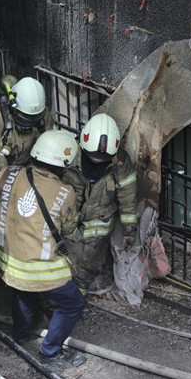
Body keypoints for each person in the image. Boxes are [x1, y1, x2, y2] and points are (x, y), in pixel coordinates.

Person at [0, 129, 86, 369]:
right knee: (73, 303)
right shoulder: (66, 193)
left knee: (21, 290)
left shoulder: (7, 174)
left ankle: (23, 332)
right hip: (40, 271)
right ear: (64, 165)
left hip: (6, 263)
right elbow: (69, 232)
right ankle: (50, 351)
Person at [62, 113, 138, 293]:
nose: (96, 160)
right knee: (63, 262)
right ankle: (60, 302)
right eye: (92, 155)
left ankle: (77, 300)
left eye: (101, 158)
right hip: (68, 222)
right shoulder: (68, 152)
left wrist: (129, 230)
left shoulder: (120, 163)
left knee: (89, 266)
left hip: (99, 226)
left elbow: (128, 197)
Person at [0, 76, 53, 173]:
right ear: (13, 106)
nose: (30, 120)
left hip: (28, 167)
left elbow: (49, 146)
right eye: (25, 116)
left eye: (34, 117)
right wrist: (15, 180)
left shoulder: (42, 113)